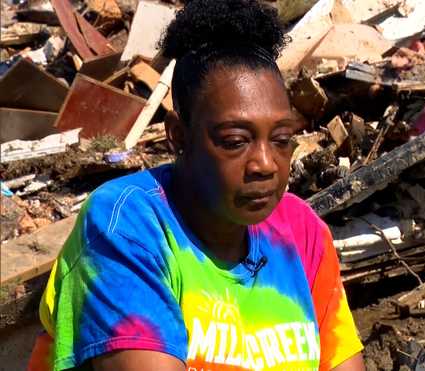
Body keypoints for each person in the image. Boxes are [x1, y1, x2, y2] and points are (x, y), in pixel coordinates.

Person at [27, 0, 365, 370]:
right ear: (178, 136)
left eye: (281, 139)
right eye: (236, 141)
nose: (265, 164)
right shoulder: (128, 228)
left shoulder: (301, 234)